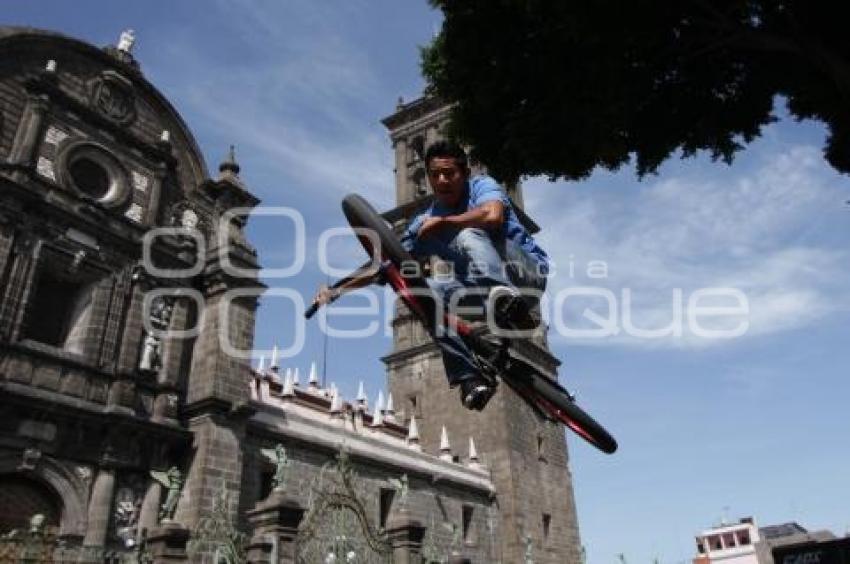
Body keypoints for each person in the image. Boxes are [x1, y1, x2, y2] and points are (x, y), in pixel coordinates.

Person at [313, 141, 549, 411]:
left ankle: (505, 299)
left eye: (449, 173)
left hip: (526, 275)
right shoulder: (424, 222)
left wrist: (447, 223)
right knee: (422, 296)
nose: (441, 180)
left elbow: (493, 216)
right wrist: (336, 291)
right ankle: (469, 377)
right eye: (434, 174)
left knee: (467, 233)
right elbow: (384, 263)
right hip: (480, 295)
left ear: (466, 172)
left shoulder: (484, 186)